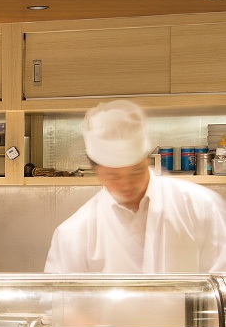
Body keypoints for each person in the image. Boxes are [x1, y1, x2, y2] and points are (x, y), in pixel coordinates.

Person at [45, 99, 226, 273]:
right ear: (95, 170)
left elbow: (222, 278)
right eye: (114, 176)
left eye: (136, 172)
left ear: (147, 160)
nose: (127, 185)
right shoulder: (73, 234)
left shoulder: (200, 207)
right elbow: (61, 294)